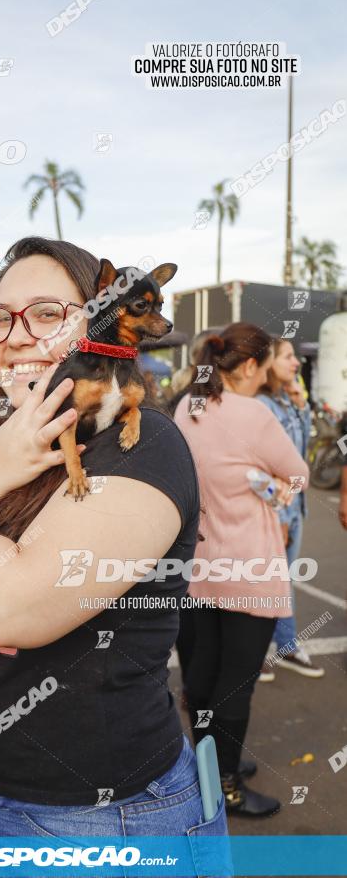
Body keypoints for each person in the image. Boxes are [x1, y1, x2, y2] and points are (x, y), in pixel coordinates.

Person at [0, 237, 231, 867]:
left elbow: (11, 611)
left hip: (100, 817)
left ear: (100, 320)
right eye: (0, 318)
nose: (16, 335)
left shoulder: (143, 444)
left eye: (48, 313)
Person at [174, 324, 309, 818]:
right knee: (235, 685)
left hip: (196, 566)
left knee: (203, 679)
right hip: (249, 567)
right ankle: (225, 787)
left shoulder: (187, 406)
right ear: (250, 366)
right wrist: (266, 483)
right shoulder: (255, 413)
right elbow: (299, 474)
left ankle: (209, 770)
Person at [256, 338, 324, 679]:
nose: (296, 362)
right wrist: (280, 514)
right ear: (269, 364)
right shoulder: (262, 405)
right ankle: (259, 652)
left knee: (282, 581)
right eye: (288, 357)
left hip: (294, 507)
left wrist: (301, 406)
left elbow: (300, 456)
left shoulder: (287, 402)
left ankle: (283, 646)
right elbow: (266, 465)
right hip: (276, 508)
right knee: (265, 581)